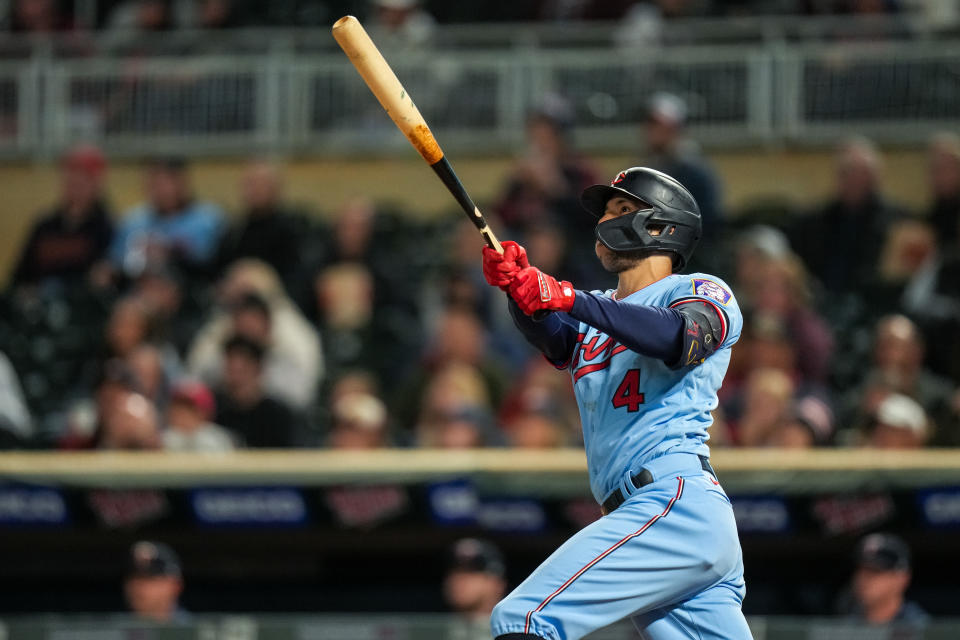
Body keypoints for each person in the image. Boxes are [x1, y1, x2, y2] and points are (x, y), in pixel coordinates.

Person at [482, 167, 749, 639]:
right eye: (605, 211)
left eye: (622, 210)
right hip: (653, 521)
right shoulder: (596, 310)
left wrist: (566, 297)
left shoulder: (700, 289)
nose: (605, 221)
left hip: (673, 502)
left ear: (662, 226)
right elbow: (555, 337)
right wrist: (519, 291)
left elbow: (675, 336)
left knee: (522, 619)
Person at [10, 145, 113, 291]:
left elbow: (109, 282)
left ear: (97, 184)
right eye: (71, 175)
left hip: (83, 307)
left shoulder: (107, 228)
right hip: (39, 306)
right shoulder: (44, 226)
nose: (76, 183)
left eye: (84, 178)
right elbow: (19, 277)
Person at [110, 157, 224, 278]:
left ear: (183, 182)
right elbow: (116, 262)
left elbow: (212, 262)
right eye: (155, 183)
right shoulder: (132, 222)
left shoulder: (209, 220)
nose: (162, 190)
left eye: (167, 182)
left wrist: (173, 252)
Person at [642, 92, 723, 242]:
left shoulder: (694, 171)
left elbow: (707, 220)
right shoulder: (646, 166)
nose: (652, 132)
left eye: (660, 126)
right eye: (650, 125)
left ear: (677, 129)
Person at [216, 160, 303, 283]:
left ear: (276, 188)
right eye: (250, 184)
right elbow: (219, 272)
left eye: (262, 184)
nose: (255, 190)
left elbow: (298, 276)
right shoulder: (234, 232)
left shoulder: (292, 229)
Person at [213, 334, 299, 448]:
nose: (236, 377)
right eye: (231, 369)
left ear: (258, 369)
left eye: (242, 370)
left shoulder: (278, 415)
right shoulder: (214, 411)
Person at [838, 533, 928, 627]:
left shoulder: (921, 628)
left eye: (875, 571)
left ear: (902, 579)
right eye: (861, 570)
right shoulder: (844, 625)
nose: (864, 578)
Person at [444, 538, 508, 622]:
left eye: (472, 570)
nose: (460, 577)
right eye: (456, 569)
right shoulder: (432, 630)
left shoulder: (516, 629)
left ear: (497, 583)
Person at [124, 540, 188, 623]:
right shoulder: (113, 629)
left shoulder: (197, 630)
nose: (138, 585)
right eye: (134, 577)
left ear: (176, 585)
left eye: (150, 578)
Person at [163, 379, 235, 452]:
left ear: (204, 413)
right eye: (178, 409)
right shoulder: (164, 440)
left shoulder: (217, 439)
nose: (181, 415)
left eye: (189, 410)